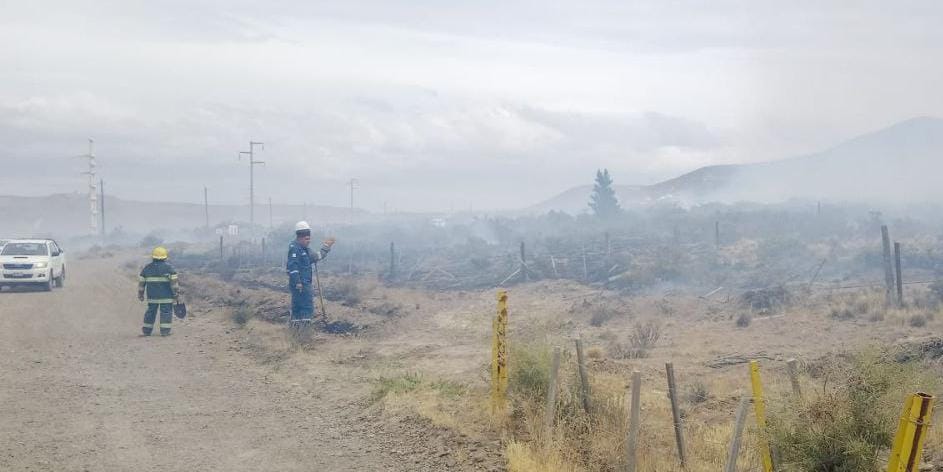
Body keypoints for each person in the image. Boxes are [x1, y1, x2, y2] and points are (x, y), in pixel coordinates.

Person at [286, 221, 336, 323]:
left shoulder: (306, 249)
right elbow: (293, 267)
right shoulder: (294, 249)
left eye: (309, 239)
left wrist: (326, 247)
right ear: (299, 237)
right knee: (305, 307)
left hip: (306, 284)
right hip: (300, 285)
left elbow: (316, 257)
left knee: (302, 307)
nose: (308, 241)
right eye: (306, 239)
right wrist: (297, 282)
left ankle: (298, 331)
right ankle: (303, 330)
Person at [138, 246, 179, 336]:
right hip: (166, 297)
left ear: (153, 257)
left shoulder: (147, 268)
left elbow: (141, 283)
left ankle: (146, 331)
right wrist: (176, 294)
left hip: (152, 297)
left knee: (151, 312)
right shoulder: (169, 268)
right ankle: (165, 332)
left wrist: (140, 294)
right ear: (165, 257)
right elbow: (174, 284)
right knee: (166, 312)